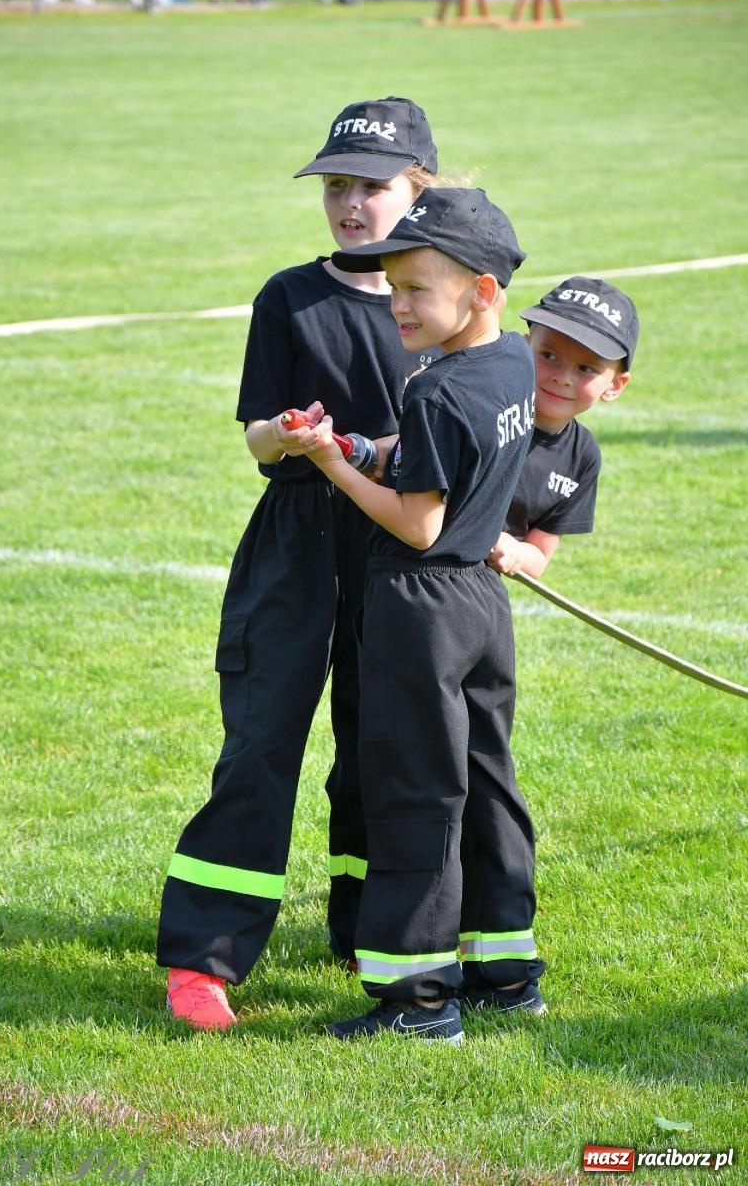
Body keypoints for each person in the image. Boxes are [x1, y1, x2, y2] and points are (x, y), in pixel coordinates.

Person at [157, 97, 440, 1031]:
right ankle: (206, 953)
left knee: (381, 746)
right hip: (296, 541)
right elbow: (253, 436)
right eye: (336, 186)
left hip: (397, 548)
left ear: (419, 189)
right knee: (262, 738)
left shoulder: (442, 299)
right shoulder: (289, 296)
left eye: (372, 186)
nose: (351, 204)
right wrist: (285, 436)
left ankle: (367, 924)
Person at [298, 186, 543, 1044]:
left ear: (481, 289)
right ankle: (508, 974)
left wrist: (334, 461)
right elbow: (453, 455)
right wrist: (374, 448)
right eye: (392, 285)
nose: (398, 303)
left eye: (416, 288)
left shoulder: (433, 392)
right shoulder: (510, 361)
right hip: (481, 603)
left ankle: (418, 999)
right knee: (487, 784)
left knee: (415, 792)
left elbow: (417, 519)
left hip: (419, 601)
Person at [488, 276, 638, 580]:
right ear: (524, 346)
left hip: (475, 583)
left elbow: (539, 554)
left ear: (615, 385)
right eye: (548, 356)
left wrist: (514, 552)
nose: (562, 377)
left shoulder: (581, 458)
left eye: (586, 368)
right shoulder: (482, 406)